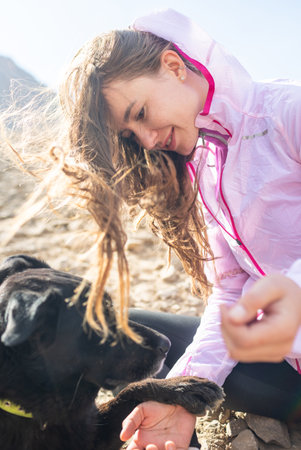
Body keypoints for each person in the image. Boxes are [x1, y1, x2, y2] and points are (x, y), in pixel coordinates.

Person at [7, 7, 301, 450]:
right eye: (129, 133)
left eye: (140, 112)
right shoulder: (207, 166)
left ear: (173, 66)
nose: (145, 139)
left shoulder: (287, 112)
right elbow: (230, 291)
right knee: (128, 337)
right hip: (287, 365)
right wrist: (179, 396)